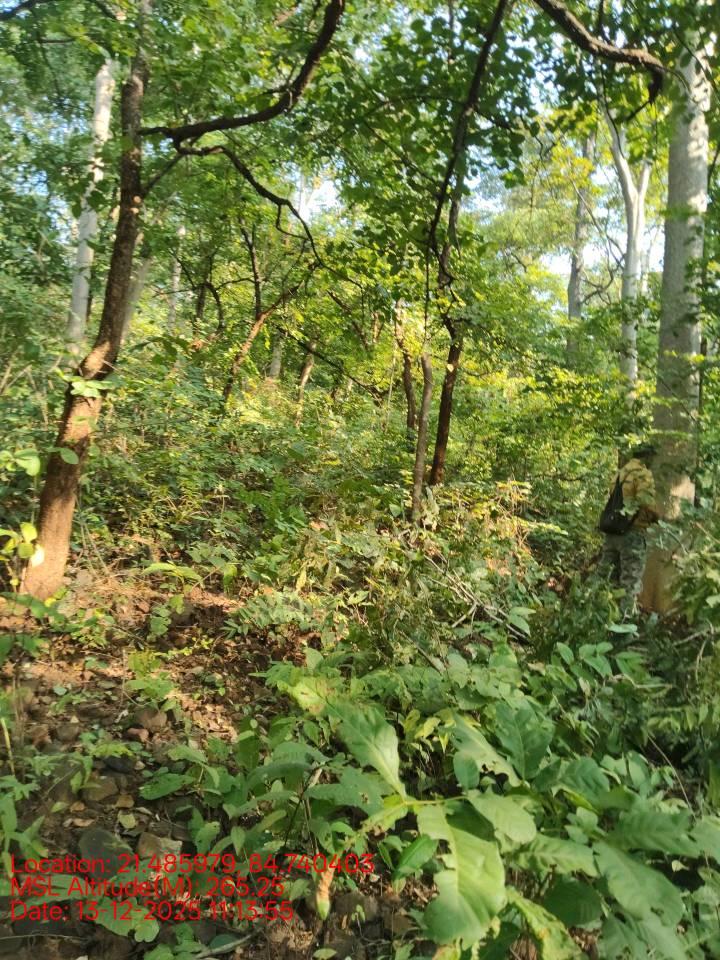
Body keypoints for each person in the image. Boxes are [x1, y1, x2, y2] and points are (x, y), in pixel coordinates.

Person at [599, 444, 658, 616]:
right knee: (630, 581)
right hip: (632, 533)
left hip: (613, 531)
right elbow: (645, 502)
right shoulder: (642, 474)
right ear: (647, 457)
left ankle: (599, 614)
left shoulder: (620, 473)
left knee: (606, 576)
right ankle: (626, 622)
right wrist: (657, 516)